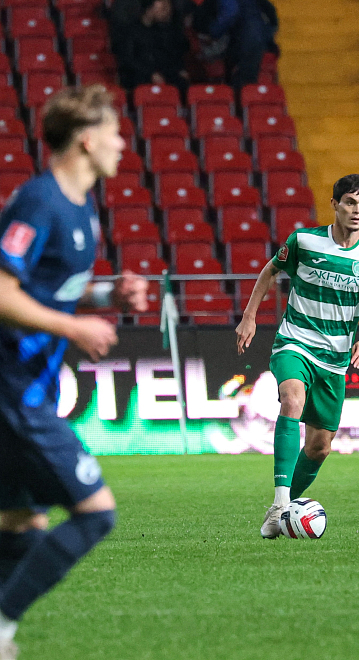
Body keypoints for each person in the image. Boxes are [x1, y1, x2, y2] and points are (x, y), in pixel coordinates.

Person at [0, 85, 148, 660]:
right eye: (114, 132)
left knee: (20, 524)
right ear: (87, 140)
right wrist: (73, 328)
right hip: (14, 390)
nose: (122, 144)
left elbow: (51, 289)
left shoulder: (81, 205)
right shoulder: (41, 201)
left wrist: (109, 295)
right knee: (96, 514)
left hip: (25, 388)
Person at [235, 174, 359, 539]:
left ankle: (284, 506)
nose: (357, 210)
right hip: (295, 341)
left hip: (334, 359)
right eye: (350, 203)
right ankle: (280, 504)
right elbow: (270, 271)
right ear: (335, 204)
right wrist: (249, 316)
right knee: (291, 399)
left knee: (320, 447)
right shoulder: (304, 241)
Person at [114, 0, 190, 93]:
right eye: (163, 8)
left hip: (160, 73)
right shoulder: (131, 31)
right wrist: (150, 73)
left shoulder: (163, 30)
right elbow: (128, 59)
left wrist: (178, 69)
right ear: (149, 9)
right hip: (137, 76)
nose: (167, 12)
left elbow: (168, 56)